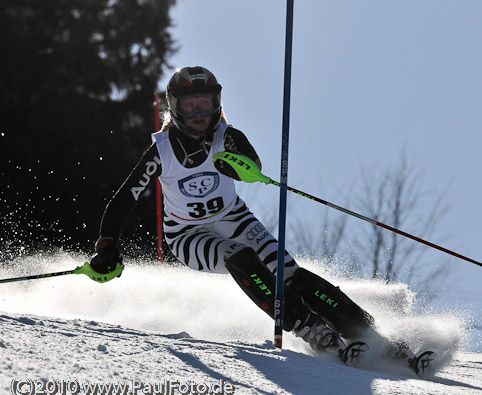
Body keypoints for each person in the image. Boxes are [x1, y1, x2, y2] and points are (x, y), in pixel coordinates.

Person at [88, 65, 376, 360]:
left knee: (287, 270)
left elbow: (253, 162)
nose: (199, 112)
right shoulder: (162, 150)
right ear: (175, 107)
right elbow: (126, 198)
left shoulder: (226, 135)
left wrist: (239, 165)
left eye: (206, 102)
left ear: (217, 103)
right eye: (190, 105)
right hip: (187, 234)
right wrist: (107, 243)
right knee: (237, 255)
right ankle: (309, 327)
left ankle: (364, 330)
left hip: (234, 218)